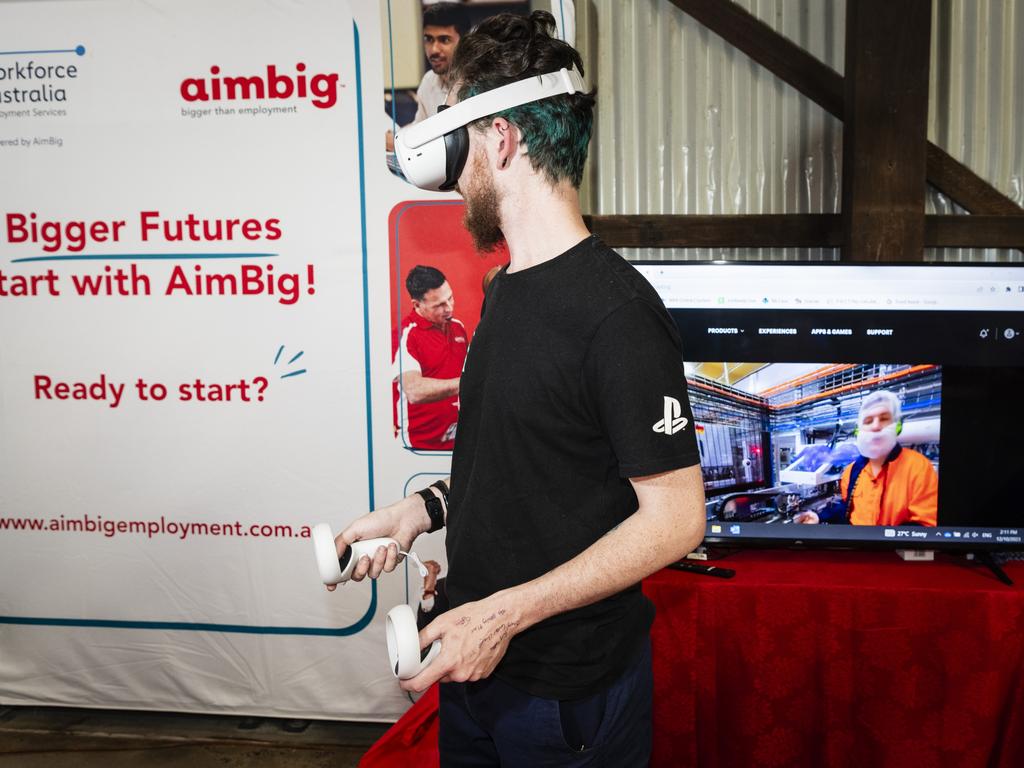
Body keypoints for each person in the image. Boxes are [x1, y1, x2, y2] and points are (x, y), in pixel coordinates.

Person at [332, 11, 706, 764]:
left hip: (563, 699)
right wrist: (421, 510)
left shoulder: (617, 312)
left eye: (455, 131)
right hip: (478, 670)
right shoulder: (506, 287)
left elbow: (676, 520)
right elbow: (527, 466)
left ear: (499, 137)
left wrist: (504, 616)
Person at [794, 390, 938, 527]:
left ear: (897, 426)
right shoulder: (852, 471)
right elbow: (848, 508)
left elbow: (926, 526)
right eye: (868, 421)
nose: (875, 426)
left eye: (884, 419)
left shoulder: (918, 467)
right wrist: (820, 517)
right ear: (859, 430)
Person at [395, 265, 466, 451]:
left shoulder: (458, 328)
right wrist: (469, 382)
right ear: (417, 304)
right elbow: (414, 391)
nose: (448, 307)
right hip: (419, 448)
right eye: (439, 305)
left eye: (450, 298)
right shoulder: (405, 335)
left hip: (457, 445)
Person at [385, 3, 467, 152]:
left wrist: (398, 144)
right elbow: (420, 126)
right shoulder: (429, 81)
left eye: (444, 40)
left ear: (465, 41)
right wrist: (397, 137)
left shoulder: (479, 83)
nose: (434, 49)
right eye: (429, 39)